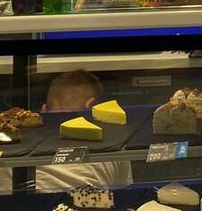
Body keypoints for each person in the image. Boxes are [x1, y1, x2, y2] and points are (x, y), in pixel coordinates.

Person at [0, 69, 134, 193]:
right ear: (91, 105)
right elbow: (123, 194)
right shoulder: (116, 142)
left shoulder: (10, 143)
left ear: (44, 110)